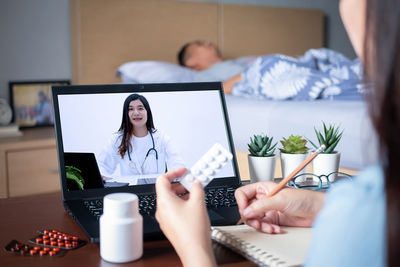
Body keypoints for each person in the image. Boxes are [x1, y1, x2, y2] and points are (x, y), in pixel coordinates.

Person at [155, 0, 398, 266]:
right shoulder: (208, 74)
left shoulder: (363, 214)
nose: (210, 44)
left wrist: (193, 246)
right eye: (201, 43)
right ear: (191, 62)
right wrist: (320, 207)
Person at [97, 93, 185, 185]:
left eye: (140, 108)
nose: (136, 113)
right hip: (129, 193)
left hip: (157, 191)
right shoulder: (117, 140)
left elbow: (177, 164)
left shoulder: (161, 138)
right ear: (126, 114)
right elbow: (102, 166)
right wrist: (101, 176)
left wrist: (175, 176)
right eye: (131, 109)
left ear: (147, 112)